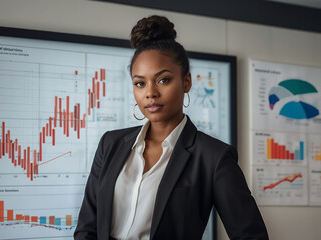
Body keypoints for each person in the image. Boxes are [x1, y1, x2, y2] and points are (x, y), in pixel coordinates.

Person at [74, 15, 268, 240]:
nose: (150, 93)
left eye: (163, 80)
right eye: (140, 83)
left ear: (186, 82)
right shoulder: (111, 144)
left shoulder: (213, 157)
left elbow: (251, 236)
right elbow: (87, 227)